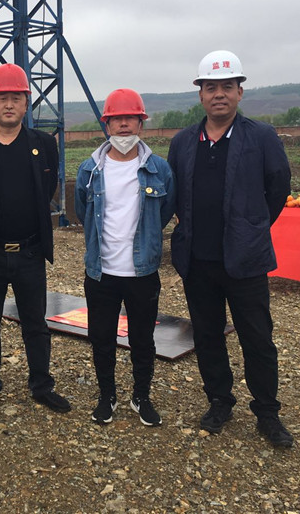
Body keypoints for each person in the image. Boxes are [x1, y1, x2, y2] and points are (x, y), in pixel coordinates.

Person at [167, 50, 294, 447]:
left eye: (226, 86)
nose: (218, 94)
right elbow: (175, 192)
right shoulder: (183, 142)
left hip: (245, 260)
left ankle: (267, 412)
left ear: (240, 92)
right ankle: (219, 401)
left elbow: (278, 188)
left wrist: (252, 227)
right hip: (198, 260)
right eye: (211, 87)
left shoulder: (261, 137)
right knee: (207, 335)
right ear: (200, 95)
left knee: (257, 338)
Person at [0, 63, 70, 417]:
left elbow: (47, 188)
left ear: (26, 103)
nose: (9, 104)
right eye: (2, 97)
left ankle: (41, 385)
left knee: (35, 322)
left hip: (29, 250)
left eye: (16, 98)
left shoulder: (43, 144)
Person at [75, 89, 175, 426]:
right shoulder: (90, 169)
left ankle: (141, 396)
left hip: (142, 272)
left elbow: (165, 211)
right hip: (101, 272)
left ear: (140, 123)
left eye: (130, 118)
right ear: (107, 124)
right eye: (116, 119)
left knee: (142, 340)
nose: (123, 125)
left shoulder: (158, 169)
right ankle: (107, 396)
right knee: (101, 338)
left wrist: (146, 242)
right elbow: (82, 211)